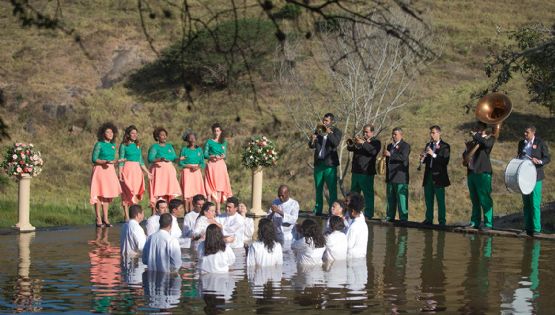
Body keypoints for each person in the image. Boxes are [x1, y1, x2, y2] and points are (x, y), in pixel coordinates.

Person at [517, 126, 550, 236]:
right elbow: (519, 156)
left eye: (527, 132)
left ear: (533, 132)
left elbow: (547, 158)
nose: (525, 134)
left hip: (536, 177)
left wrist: (539, 161)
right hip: (523, 177)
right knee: (526, 204)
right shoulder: (521, 143)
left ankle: (536, 229)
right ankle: (527, 228)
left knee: (535, 203)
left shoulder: (540, 142)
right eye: (524, 132)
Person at [309, 113, 343, 215]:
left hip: (330, 164)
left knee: (332, 189)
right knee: (318, 188)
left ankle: (333, 211)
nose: (324, 122)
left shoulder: (337, 131)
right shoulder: (318, 130)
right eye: (324, 120)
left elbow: (335, 143)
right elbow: (311, 146)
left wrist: (329, 133)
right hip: (319, 164)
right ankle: (317, 210)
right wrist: (312, 140)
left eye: (326, 121)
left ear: (332, 122)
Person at [90, 122, 122, 227]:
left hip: (110, 170)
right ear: (103, 134)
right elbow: (94, 159)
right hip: (100, 170)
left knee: (107, 195)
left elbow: (111, 159)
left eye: (112, 132)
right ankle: (98, 218)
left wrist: (117, 161)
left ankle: (106, 218)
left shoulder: (113, 145)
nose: (110, 134)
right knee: (99, 194)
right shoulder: (99, 144)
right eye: (108, 132)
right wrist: (104, 162)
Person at [346, 124, 381, 218]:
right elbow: (349, 148)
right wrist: (353, 142)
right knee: (354, 194)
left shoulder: (376, 142)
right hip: (356, 171)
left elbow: (373, 152)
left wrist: (363, 143)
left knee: (368, 194)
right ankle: (353, 213)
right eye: (364, 131)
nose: (364, 133)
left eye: (367, 132)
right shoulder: (360, 141)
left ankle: (368, 214)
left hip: (367, 173)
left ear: (372, 133)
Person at [118, 125, 152, 221]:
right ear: (128, 134)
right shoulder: (124, 145)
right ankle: (127, 216)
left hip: (137, 170)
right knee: (127, 192)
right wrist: (120, 173)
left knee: (136, 193)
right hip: (127, 169)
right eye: (132, 133)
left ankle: (135, 215)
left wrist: (147, 172)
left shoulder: (137, 145)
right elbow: (121, 160)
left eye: (136, 133)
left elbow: (141, 161)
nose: (134, 135)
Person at [465, 122, 495, 230]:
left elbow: (486, 145)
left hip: (483, 172)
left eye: (478, 128)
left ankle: (488, 223)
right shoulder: (473, 141)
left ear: (483, 129)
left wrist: (477, 136)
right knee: (475, 200)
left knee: (485, 199)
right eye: (474, 127)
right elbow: (466, 158)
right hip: (471, 172)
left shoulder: (489, 139)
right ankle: (474, 222)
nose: (475, 129)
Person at [420, 125, 450, 226]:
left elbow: (444, 161)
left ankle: (442, 221)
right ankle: (428, 219)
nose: (431, 135)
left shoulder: (445, 146)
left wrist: (433, 154)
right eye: (430, 133)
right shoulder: (428, 145)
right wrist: (422, 159)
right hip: (428, 176)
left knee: (440, 200)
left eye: (433, 133)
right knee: (428, 199)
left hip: (439, 177)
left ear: (439, 133)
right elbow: (427, 161)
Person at [148, 127, 181, 209]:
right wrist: (160, 159)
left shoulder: (169, 146)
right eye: (162, 135)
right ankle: (156, 213)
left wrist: (179, 158)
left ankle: (170, 212)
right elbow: (150, 159)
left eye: (165, 135)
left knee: (169, 192)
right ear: (157, 137)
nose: (164, 137)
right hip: (159, 172)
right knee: (159, 192)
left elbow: (173, 157)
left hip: (169, 172)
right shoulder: (155, 147)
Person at [204, 123, 233, 214]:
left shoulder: (223, 142)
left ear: (221, 131)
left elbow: (224, 154)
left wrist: (221, 156)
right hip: (212, 165)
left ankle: (218, 210)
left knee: (219, 187)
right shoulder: (209, 142)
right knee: (210, 187)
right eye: (215, 131)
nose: (216, 132)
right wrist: (211, 156)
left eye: (218, 131)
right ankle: (208, 209)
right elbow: (205, 154)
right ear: (213, 132)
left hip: (220, 165)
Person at [384, 127, 411, 222]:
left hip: (400, 177)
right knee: (390, 198)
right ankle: (389, 216)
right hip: (390, 177)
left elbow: (403, 157)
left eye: (395, 134)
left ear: (401, 135)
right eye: (392, 134)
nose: (393, 136)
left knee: (402, 200)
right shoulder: (389, 146)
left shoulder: (405, 145)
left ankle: (403, 218)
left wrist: (390, 154)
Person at [179, 132, 206, 212]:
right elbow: (180, 162)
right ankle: (187, 211)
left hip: (196, 172)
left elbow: (202, 163)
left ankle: (196, 211)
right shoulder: (184, 150)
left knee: (196, 192)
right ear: (187, 140)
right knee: (187, 193)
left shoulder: (199, 150)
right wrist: (190, 166)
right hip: (187, 171)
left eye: (193, 137)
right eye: (190, 138)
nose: (192, 139)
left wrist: (197, 167)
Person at [346, 194, 368, 259]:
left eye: (348, 210)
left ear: (352, 211)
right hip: (361, 257)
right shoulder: (363, 224)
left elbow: (348, 245)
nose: (347, 212)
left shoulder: (354, 227)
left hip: (352, 259)